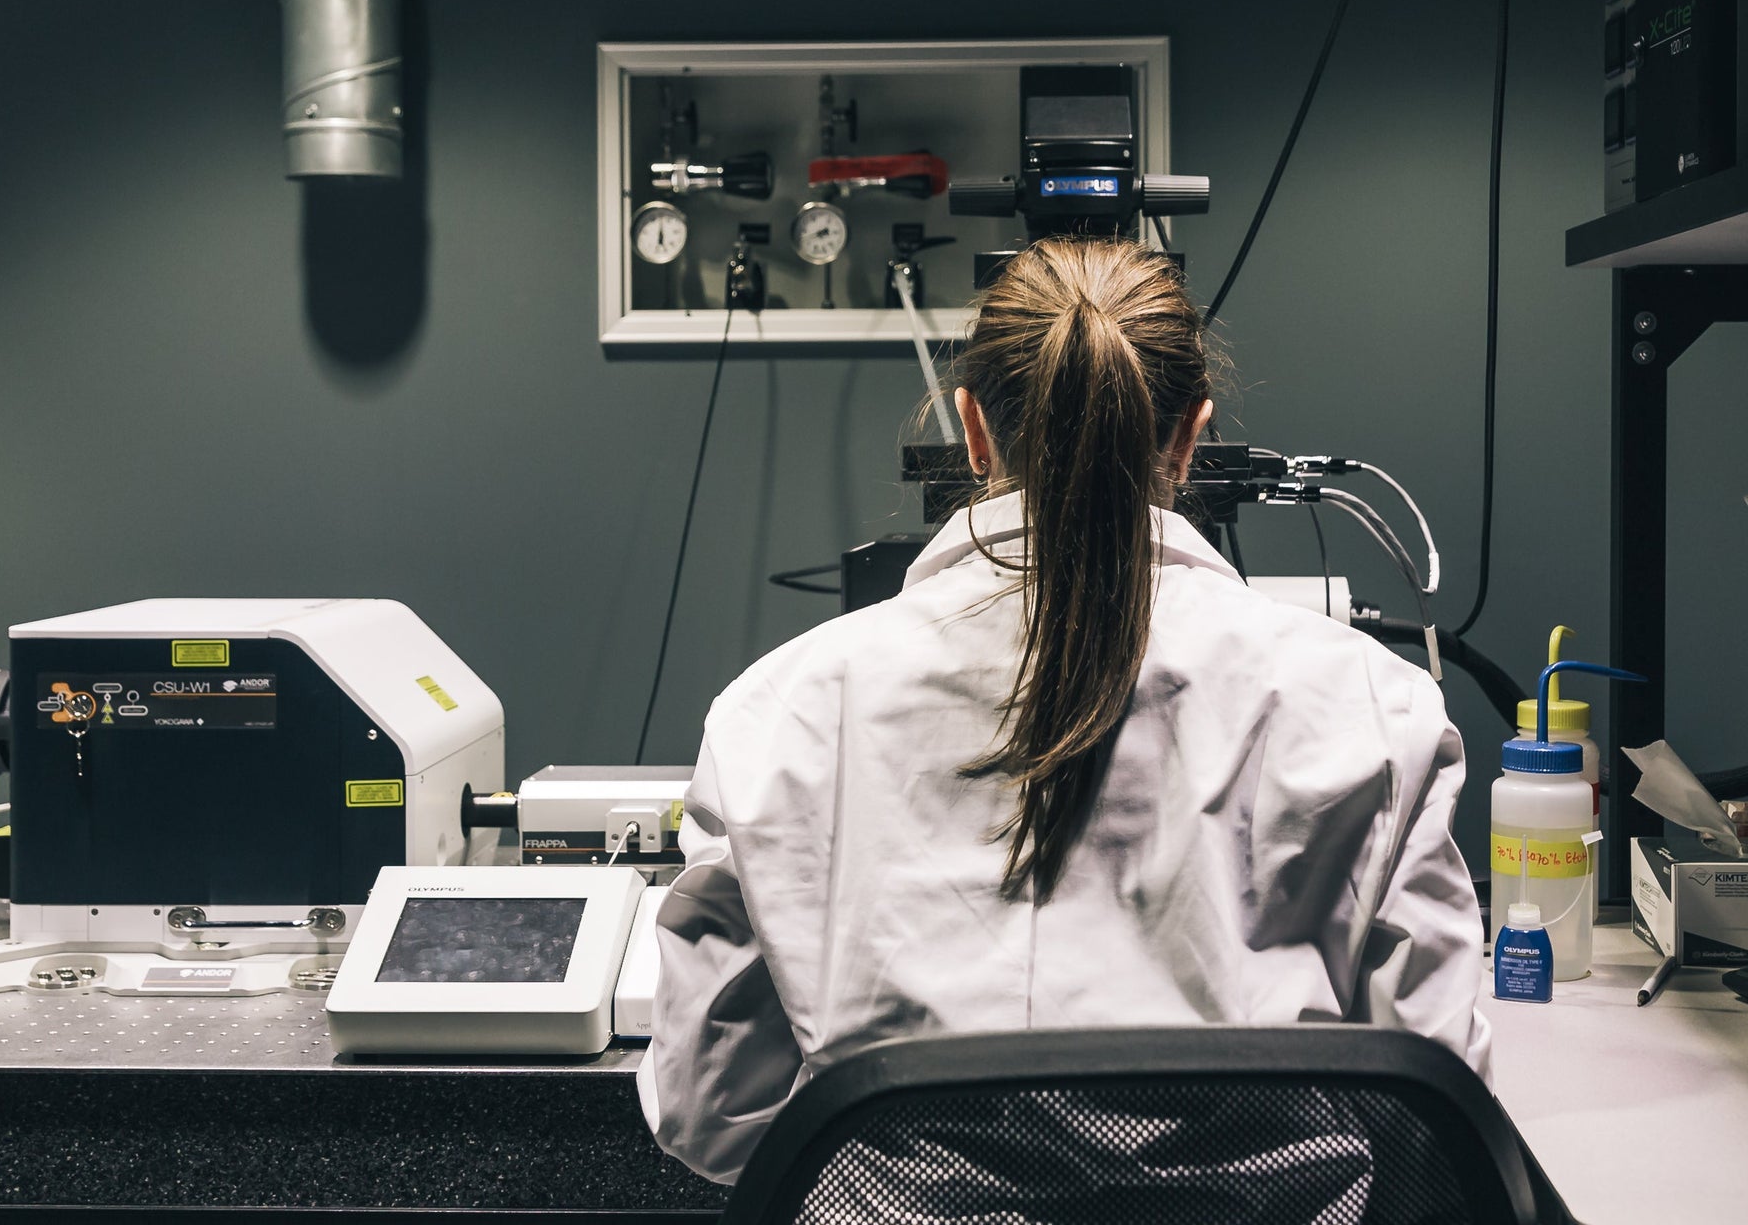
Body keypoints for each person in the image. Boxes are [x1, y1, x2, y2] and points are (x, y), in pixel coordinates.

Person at [638, 238, 1489, 1184]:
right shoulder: (1372, 704)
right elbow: (1441, 1113)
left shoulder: (779, 712)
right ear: (1189, 437)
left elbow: (711, 1111)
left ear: (971, 430)